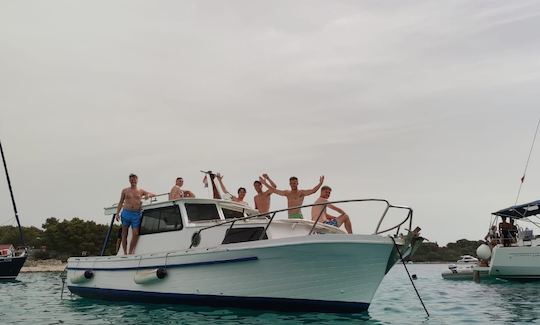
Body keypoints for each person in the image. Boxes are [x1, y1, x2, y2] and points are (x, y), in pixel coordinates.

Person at [115, 173, 155, 255]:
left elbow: (153, 194)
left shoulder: (141, 191)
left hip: (136, 214)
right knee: (124, 233)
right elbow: (120, 203)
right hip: (126, 212)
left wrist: (147, 195)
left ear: (137, 180)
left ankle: (130, 251)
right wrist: (117, 213)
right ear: (129, 180)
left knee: (135, 233)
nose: (133, 180)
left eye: (134, 179)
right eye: (131, 179)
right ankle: (125, 252)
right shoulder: (125, 190)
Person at [260, 175, 324, 219]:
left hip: (298, 215)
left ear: (297, 183)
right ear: (289, 184)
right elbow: (274, 190)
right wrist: (265, 183)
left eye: (294, 183)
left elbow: (313, 191)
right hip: (290, 216)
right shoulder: (287, 193)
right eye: (292, 183)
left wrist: (320, 183)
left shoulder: (301, 193)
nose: (293, 185)